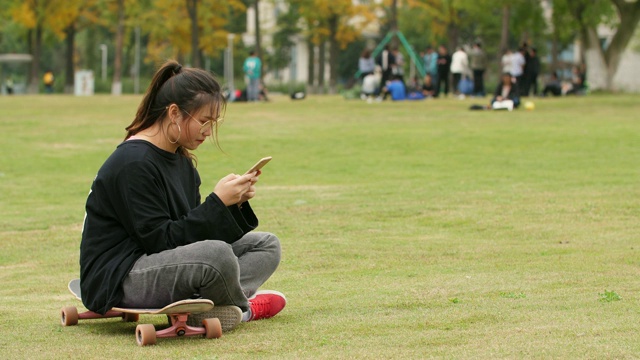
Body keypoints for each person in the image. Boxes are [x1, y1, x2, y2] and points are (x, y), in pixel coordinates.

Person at [79, 60, 286, 333]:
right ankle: (243, 309)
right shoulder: (134, 162)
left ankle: (214, 307)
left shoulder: (182, 162)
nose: (208, 132)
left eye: (214, 123)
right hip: (122, 275)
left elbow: (188, 234)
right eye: (203, 121)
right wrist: (217, 203)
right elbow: (160, 241)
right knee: (217, 255)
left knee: (266, 245)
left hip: (163, 264)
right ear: (174, 113)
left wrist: (230, 204)